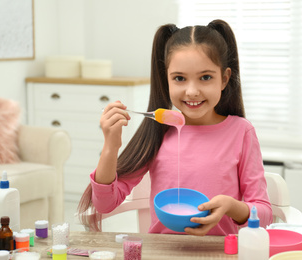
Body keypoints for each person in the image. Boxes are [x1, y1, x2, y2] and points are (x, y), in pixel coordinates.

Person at [78, 19, 272, 236]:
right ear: (166, 79)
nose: (191, 91)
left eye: (205, 77)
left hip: (221, 251)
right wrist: (110, 146)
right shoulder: (158, 130)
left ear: (224, 79)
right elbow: (105, 204)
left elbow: (264, 215)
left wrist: (232, 206)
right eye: (179, 78)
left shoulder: (241, 132)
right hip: (163, 251)